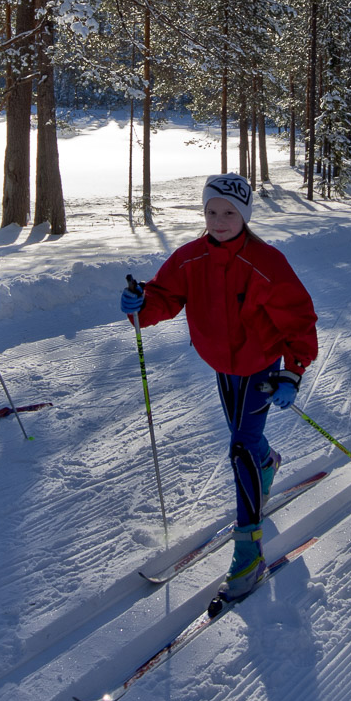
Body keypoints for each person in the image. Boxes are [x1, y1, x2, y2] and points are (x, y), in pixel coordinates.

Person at [120, 173, 318, 600]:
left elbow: (298, 318)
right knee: (243, 439)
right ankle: (266, 464)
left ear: (245, 215)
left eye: (229, 212)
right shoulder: (190, 258)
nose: (219, 220)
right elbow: (165, 296)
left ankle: (249, 550)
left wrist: (293, 371)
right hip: (221, 364)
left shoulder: (266, 261)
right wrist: (141, 305)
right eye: (212, 211)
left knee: (239, 447)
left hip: (260, 364)